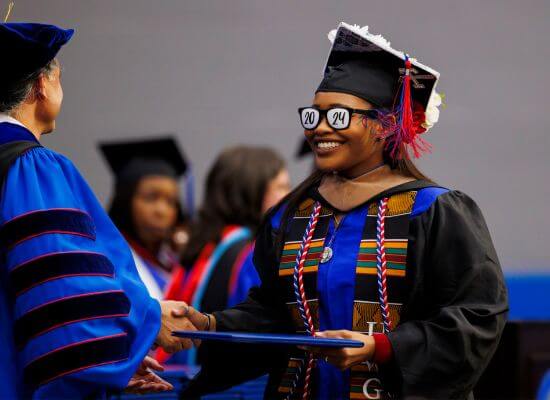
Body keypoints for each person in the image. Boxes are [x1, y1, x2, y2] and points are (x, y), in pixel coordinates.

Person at [178, 22, 508, 399]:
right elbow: (275, 314)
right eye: (313, 115)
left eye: (338, 116)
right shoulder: (291, 216)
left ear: (384, 126)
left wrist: (381, 347)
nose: (319, 128)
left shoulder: (432, 211)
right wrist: (207, 324)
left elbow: (478, 316)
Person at [0, 22, 195, 398]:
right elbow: (64, 299)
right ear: (42, 86)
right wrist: (147, 324)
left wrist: (115, 363)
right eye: (59, 77)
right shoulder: (33, 169)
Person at [159, 146, 289, 364]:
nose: (289, 195)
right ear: (252, 190)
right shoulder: (250, 254)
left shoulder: (206, 243)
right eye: (282, 186)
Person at [101, 137, 190, 300]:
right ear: (126, 201)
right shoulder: (108, 259)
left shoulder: (176, 260)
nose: (161, 210)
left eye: (171, 202)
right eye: (151, 198)